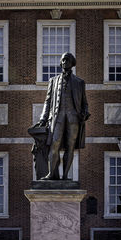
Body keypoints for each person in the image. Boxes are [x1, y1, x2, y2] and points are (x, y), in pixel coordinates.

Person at [39, 52, 90, 180]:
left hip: (73, 118)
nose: (64, 62)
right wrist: (43, 118)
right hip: (57, 117)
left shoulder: (79, 82)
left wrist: (85, 112)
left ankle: (65, 176)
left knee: (70, 146)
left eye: (67, 60)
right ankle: (51, 174)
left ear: (72, 63)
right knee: (54, 144)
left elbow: (84, 103)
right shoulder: (53, 81)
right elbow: (48, 101)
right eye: (62, 60)